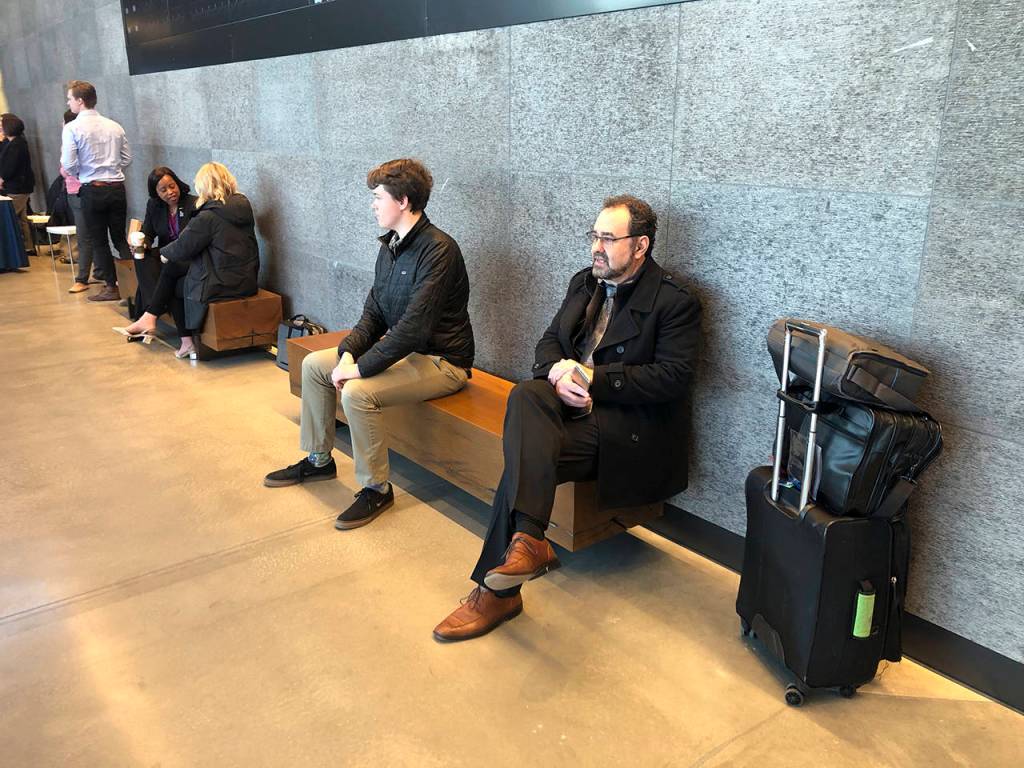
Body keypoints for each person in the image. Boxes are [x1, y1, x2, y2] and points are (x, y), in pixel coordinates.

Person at [433, 195, 702, 643]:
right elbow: (548, 343)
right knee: (526, 395)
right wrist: (558, 371)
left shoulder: (674, 302)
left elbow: (673, 378)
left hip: (627, 433)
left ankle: (499, 588)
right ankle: (527, 545)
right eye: (594, 236)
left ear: (641, 246)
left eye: (608, 238)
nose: (597, 247)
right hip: (570, 412)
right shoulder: (585, 283)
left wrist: (594, 380)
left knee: (522, 459)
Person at [264, 158, 475, 531]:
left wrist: (357, 369)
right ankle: (318, 460)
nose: (373, 204)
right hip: (407, 352)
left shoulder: (439, 250)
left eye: (378, 197)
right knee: (316, 365)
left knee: (357, 392)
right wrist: (347, 352)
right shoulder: (390, 247)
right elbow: (373, 314)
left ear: (404, 201)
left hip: (442, 361)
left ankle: (376, 488)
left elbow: (414, 329)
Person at [116, 162, 258, 359]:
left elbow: (183, 247)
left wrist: (164, 254)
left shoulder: (208, 215)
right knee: (173, 274)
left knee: (175, 282)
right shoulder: (241, 206)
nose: (169, 192)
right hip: (246, 277)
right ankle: (159, 322)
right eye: (163, 189)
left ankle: (166, 327)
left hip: (221, 281)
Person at [61, 80, 132, 302]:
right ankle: (138, 280)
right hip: (117, 188)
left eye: (70, 98)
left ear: (80, 101)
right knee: (120, 237)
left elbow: (68, 163)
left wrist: (84, 172)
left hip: (93, 188)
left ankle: (112, 287)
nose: (68, 102)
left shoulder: (72, 128)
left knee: (99, 239)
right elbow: (127, 158)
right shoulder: (114, 125)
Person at [126, 166, 199, 325]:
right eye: (163, 190)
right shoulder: (154, 205)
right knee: (141, 256)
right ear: (156, 193)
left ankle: (150, 311)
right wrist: (142, 243)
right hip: (166, 252)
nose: (170, 192)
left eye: (172, 186)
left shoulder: (192, 203)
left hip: (185, 255)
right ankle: (155, 306)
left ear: (178, 183)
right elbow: (148, 232)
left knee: (159, 268)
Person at [60, 110, 97, 293]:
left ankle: (82, 278)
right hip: (95, 189)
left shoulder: (71, 136)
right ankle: (99, 271)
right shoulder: (92, 136)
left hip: (77, 191)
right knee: (96, 233)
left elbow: (66, 169)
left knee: (84, 237)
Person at [0, 113, 36, 255]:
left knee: (8, 216)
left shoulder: (17, 144)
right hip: (15, 186)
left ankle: (15, 250)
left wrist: (2, 179)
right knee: (21, 218)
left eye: (2, 125)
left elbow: (11, 166)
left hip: (18, 187)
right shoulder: (11, 143)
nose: (0, 128)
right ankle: (27, 247)